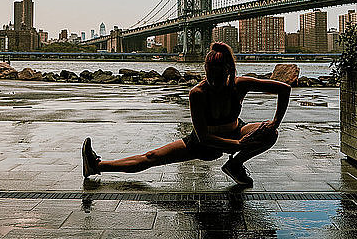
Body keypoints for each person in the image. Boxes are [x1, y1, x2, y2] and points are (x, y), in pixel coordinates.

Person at [82, 41, 291, 186]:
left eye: (218, 75)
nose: (213, 80)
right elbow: (204, 137)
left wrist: (275, 122)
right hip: (205, 144)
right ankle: (96, 166)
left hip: (236, 131)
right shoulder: (198, 93)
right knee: (151, 157)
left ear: (229, 70)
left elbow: (284, 89)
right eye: (210, 74)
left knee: (270, 133)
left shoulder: (240, 84)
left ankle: (235, 165)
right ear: (205, 69)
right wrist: (238, 145)